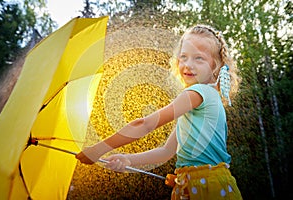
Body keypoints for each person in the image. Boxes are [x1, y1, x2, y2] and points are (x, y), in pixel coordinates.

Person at [76, 24, 242, 200]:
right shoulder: (203, 100)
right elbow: (165, 152)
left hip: (207, 188)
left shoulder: (198, 93)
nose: (188, 64)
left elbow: (145, 124)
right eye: (183, 57)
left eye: (198, 58)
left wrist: (98, 149)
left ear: (215, 67)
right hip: (202, 186)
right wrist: (127, 159)